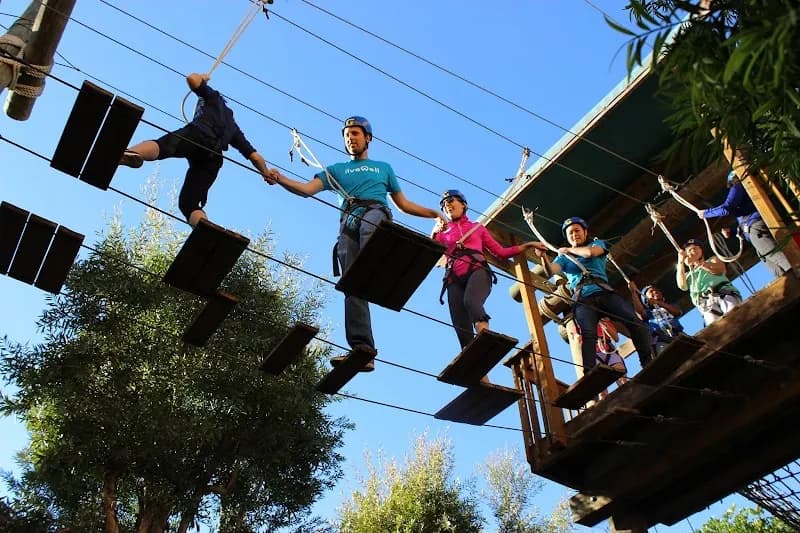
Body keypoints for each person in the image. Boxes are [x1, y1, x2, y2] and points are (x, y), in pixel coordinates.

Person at [264, 116, 444, 371]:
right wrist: (280, 178)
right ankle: (363, 348)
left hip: (375, 211)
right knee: (352, 284)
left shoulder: (383, 168)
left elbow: (403, 205)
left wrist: (433, 213)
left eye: (356, 134)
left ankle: (381, 268)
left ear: (368, 138)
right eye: (347, 135)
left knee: (371, 231)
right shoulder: (336, 171)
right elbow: (306, 190)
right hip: (348, 220)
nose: (351, 138)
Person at [119, 72, 278, 226]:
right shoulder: (233, 127)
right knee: (189, 204)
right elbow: (254, 156)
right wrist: (265, 172)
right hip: (213, 158)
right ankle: (204, 227)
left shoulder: (213, 97)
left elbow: (192, 79)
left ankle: (132, 153)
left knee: (163, 147)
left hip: (198, 134)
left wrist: (203, 78)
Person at [534, 217, 653, 373]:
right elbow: (552, 270)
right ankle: (589, 372)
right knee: (588, 334)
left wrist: (569, 249)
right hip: (583, 298)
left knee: (635, 322)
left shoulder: (596, 244)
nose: (574, 234)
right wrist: (543, 257)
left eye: (577, 230)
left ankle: (647, 362)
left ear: (585, 232)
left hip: (603, 291)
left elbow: (590, 253)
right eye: (570, 233)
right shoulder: (563, 258)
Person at [431, 189, 545, 350]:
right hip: (453, 278)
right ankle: (477, 367)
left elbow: (501, 252)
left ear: (463, 205)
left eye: (451, 201)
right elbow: (432, 253)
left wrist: (527, 245)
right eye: (443, 205)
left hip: (477, 270)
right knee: (460, 325)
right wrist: (435, 232)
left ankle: (483, 336)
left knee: (471, 301)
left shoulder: (476, 228)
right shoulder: (442, 235)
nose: (447, 205)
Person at [698, 170, 791, 277]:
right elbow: (745, 212)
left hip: (755, 228)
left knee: (777, 257)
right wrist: (733, 231)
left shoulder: (740, 185)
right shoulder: (751, 192)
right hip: (754, 229)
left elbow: (727, 208)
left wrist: (706, 213)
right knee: (775, 265)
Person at [676, 238, 742, 325]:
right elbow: (682, 286)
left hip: (723, 293)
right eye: (689, 250)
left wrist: (701, 264)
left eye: (695, 248)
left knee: (734, 314)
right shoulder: (688, 275)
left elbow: (720, 269)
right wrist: (680, 261)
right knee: (714, 326)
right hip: (705, 302)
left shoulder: (712, 260)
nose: (692, 251)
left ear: (701, 250)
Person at [629, 281, 684, 355]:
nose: (655, 291)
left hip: (678, 335)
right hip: (661, 340)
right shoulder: (648, 313)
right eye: (651, 292)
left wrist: (658, 303)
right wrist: (633, 292)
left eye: (657, 290)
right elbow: (640, 311)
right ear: (646, 300)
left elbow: (677, 312)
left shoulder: (670, 306)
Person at [594, 317, 628, 399]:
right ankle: (605, 408)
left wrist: (604, 325)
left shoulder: (605, 320)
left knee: (622, 379)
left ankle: (628, 398)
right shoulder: (582, 321)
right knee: (602, 391)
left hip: (609, 351)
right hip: (594, 353)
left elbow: (616, 338)